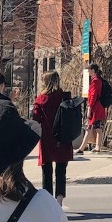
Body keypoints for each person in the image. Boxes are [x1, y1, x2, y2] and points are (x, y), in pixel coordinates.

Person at [31, 71, 73, 209]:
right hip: (63, 137)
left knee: (46, 170)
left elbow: (36, 120)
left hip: (47, 138)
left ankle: (48, 201)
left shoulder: (41, 99)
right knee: (61, 169)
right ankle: (59, 200)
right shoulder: (65, 97)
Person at [75, 63, 107, 154]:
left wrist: (89, 108)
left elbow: (92, 96)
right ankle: (97, 147)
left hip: (95, 108)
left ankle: (81, 148)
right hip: (100, 107)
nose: (88, 72)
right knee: (98, 128)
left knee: (89, 127)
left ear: (93, 70)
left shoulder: (95, 81)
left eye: (89, 70)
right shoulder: (100, 80)